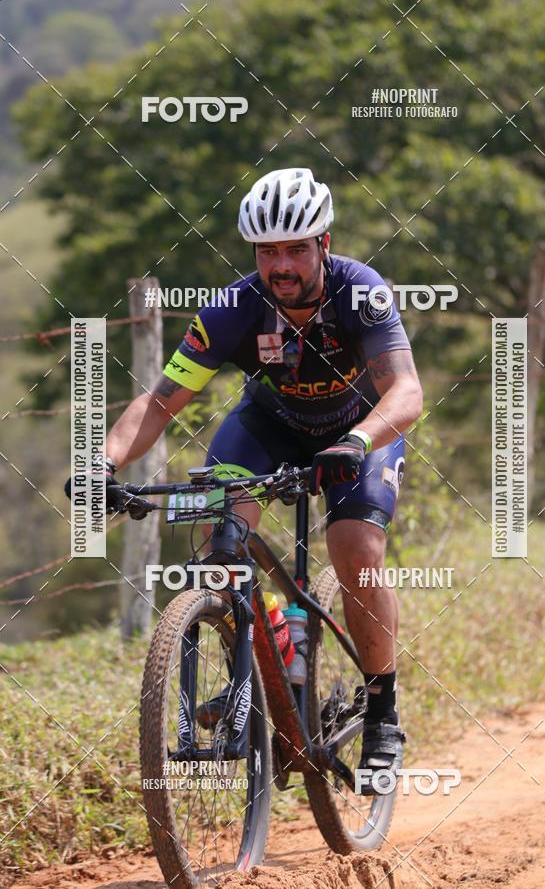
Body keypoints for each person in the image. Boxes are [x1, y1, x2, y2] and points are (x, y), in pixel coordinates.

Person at [84, 167, 423, 792]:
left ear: (324, 243)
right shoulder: (233, 310)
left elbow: (405, 391)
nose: (283, 264)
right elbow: (159, 402)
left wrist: (354, 442)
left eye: (296, 248)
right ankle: (268, 653)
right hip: (267, 428)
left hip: (359, 432)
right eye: (268, 251)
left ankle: (382, 715)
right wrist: (101, 463)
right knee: (223, 547)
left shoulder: (361, 293)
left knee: (356, 554)